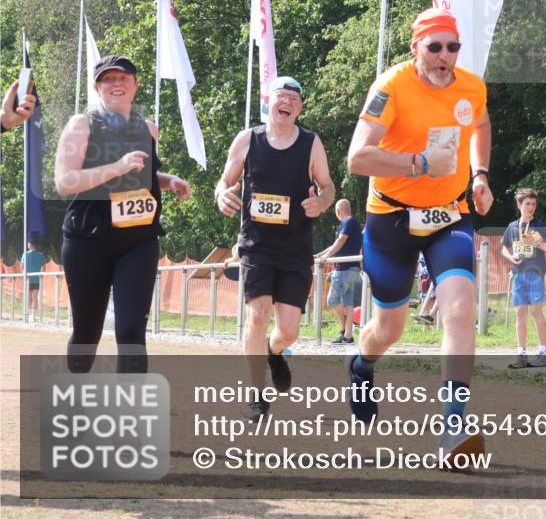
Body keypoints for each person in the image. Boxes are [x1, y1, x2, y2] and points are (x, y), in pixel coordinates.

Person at [346, 7, 493, 462]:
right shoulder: (391, 87)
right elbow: (357, 158)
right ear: (416, 48)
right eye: (435, 47)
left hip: (450, 215)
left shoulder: (472, 87)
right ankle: (362, 364)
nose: (444, 55)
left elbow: (481, 124)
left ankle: (453, 428)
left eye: (453, 47)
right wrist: (420, 163)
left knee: (460, 309)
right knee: (388, 329)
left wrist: (480, 175)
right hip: (391, 219)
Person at [54, 55, 191, 374]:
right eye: (108, 79)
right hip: (88, 240)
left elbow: (140, 175)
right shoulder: (81, 125)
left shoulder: (148, 129)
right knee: (87, 333)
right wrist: (117, 166)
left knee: (131, 332)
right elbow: (64, 182)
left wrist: (168, 180)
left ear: (135, 85)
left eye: (123, 78)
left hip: (138, 240)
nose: (116, 84)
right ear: (97, 87)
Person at [215, 76, 335, 421]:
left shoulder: (311, 143)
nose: (288, 103)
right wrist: (221, 194)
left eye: (294, 100)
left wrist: (321, 203)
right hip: (257, 245)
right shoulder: (247, 140)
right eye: (282, 96)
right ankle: (256, 395)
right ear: (268, 101)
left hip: (295, 247)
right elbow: (225, 181)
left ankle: (273, 350)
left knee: (289, 330)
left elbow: (327, 187)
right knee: (257, 315)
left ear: (300, 108)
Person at [501, 188, 546, 368]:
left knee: (536, 312)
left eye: (533, 204)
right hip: (518, 273)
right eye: (527, 204)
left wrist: (537, 243)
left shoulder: (539, 225)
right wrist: (511, 257)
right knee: (520, 313)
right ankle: (521, 354)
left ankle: (544, 352)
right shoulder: (512, 226)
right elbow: (504, 247)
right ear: (519, 205)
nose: (531, 207)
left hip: (535, 273)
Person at [316, 199, 363, 344]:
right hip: (352, 269)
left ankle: (344, 328)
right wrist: (319, 255)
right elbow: (335, 244)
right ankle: (348, 336)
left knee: (332, 300)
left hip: (344, 269)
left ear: (338, 211)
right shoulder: (352, 222)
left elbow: (341, 240)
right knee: (348, 304)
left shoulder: (348, 222)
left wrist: (326, 257)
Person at [21, 240, 45, 322]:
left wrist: (24, 275)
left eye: (28, 244)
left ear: (30, 245)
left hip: (27, 279)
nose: (27, 245)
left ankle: (28, 314)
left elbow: (22, 266)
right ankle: (33, 316)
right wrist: (41, 276)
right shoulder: (40, 255)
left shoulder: (25, 254)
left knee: (28, 297)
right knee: (35, 297)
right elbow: (43, 267)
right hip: (37, 279)